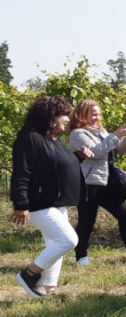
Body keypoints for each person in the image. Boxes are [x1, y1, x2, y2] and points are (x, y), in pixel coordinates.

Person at [10, 96, 89, 298]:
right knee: (68, 240)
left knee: (55, 243)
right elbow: (21, 173)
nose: (68, 119)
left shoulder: (52, 138)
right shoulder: (30, 138)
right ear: (50, 116)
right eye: (64, 115)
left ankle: (47, 288)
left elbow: (58, 163)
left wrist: (78, 157)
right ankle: (30, 274)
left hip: (57, 202)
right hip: (39, 203)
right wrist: (20, 204)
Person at [67, 100, 126, 266]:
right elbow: (96, 153)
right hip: (89, 182)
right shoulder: (78, 134)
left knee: (124, 214)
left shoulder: (100, 131)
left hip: (106, 181)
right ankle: (81, 257)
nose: (97, 117)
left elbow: (116, 150)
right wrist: (115, 135)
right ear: (82, 114)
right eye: (93, 114)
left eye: (98, 114)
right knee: (87, 219)